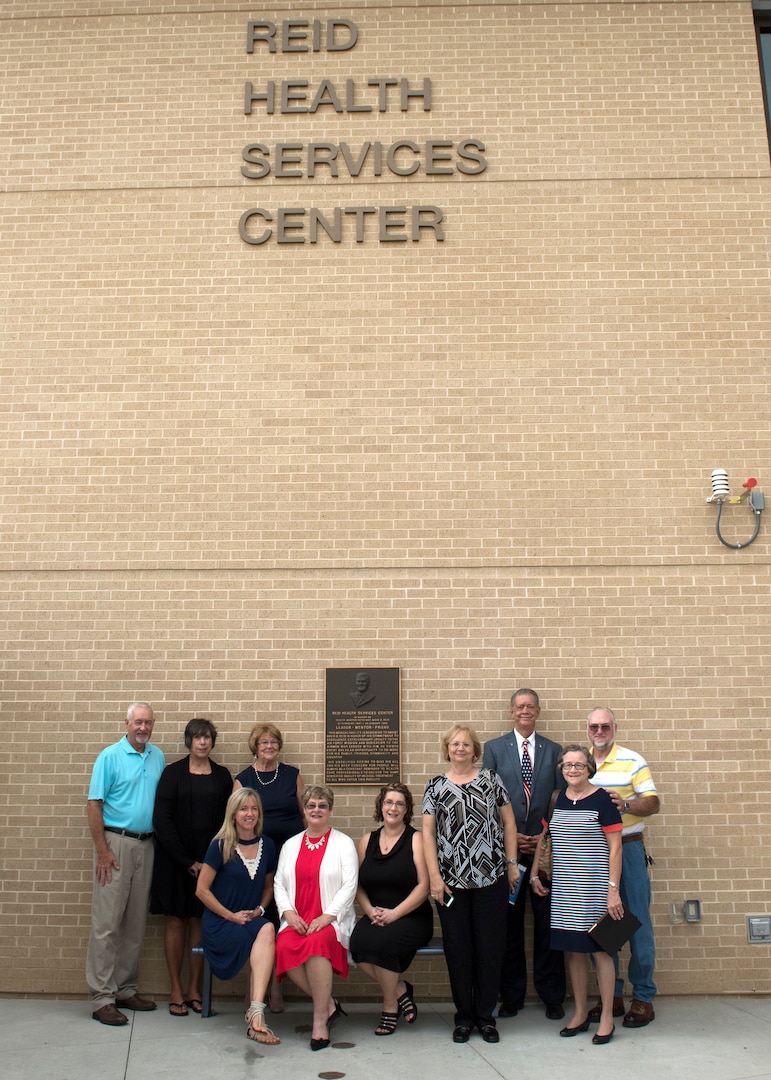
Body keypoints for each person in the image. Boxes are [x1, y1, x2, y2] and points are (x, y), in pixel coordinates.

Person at [422, 724, 520, 1045]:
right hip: (451, 885)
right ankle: (463, 1017)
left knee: (490, 950)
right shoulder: (435, 787)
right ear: (447, 748)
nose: (460, 749)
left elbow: (508, 823)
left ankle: (486, 1017)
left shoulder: (491, 780)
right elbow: (427, 835)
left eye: (466, 744)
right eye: (454, 744)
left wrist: (511, 864)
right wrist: (435, 877)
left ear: (474, 749)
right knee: (458, 950)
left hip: (490, 879)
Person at [531, 744, 623, 1045]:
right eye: (568, 765)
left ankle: (607, 1016)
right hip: (565, 891)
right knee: (574, 952)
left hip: (597, 890)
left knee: (601, 951)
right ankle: (581, 1012)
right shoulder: (556, 800)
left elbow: (616, 847)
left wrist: (613, 891)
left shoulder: (603, 800)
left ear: (589, 769)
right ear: (561, 769)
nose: (573, 770)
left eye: (579, 765)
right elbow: (545, 840)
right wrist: (534, 874)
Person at [482, 687, 566, 1020]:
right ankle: (511, 996)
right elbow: (487, 800)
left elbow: (560, 800)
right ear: (511, 711)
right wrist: (511, 838)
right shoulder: (494, 749)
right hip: (509, 852)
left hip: (546, 852)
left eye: (530, 706)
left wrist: (542, 838)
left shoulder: (554, 750)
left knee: (548, 926)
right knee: (510, 927)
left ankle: (552, 996)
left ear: (538, 711)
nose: (525, 711)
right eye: (519, 707)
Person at [86, 701, 165, 1026]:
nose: (143, 728)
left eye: (148, 722)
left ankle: (125, 989)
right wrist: (103, 850)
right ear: (127, 723)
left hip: (147, 846)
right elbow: (94, 804)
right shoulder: (110, 756)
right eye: (138, 722)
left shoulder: (157, 756)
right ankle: (102, 997)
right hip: (115, 845)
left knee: (134, 924)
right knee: (106, 924)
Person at [150, 717, 232, 1016]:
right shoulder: (172, 773)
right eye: (197, 737)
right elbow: (162, 820)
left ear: (212, 741)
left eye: (207, 737)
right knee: (175, 921)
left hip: (210, 863)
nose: (203, 742)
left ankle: (195, 988)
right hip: (175, 862)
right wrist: (187, 861)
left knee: (200, 921)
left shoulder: (222, 776)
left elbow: (228, 821)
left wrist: (209, 862)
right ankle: (175, 988)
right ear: (189, 741)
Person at [586, 706, 660, 1028]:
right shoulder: (581, 762)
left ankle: (643, 997)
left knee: (637, 922)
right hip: (593, 853)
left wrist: (626, 804)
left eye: (605, 726)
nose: (599, 731)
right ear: (587, 730)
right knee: (602, 925)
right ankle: (611, 995)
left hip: (628, 849)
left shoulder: (633, 760)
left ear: (615, 727)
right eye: (594, 727)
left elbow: (654, 803)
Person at [273, 785, 358, 1051]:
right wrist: (287, 912)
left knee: (318, 946)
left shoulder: (343, 843)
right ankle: (329, 1004)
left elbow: (350, 885)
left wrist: (328, 916)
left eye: (322, 805)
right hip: (298, 917)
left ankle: (319, 1020)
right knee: (284, 947)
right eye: (311, 805)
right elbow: (278, 883)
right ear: (304, 810)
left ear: (330, 810)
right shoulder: (291, 844)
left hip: (330, 919)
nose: (316, 810)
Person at [196, 788, 280, 1045]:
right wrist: (231, 916)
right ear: (233, 813)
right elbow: (201, 890)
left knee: (267, 929)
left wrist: (261, 910)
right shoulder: (220, 845)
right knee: (252, 939)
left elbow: (268, 887)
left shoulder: (268, 845)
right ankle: (255, 1017)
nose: (250, 814)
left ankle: (256, 1014)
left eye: (254, 809)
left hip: (250, 918)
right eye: (244, 808)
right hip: (221, 921)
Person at [350, 783, 434, 1035]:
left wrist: (395, 913)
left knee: (383, 945)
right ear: (381, 805)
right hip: (376, 913)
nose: (393, 808)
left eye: (399, 803)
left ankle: (389, 1007)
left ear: (406, 809)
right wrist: (369, 909)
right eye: (388, 802)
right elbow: (356, 884)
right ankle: (399, 990)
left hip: (411, 915)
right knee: (356, 946)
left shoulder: (416, 839)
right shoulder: (368, 841)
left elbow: (424, 885)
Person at [233, 722, 304, 1011]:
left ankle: (277, 988)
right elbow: (233, 821)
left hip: (289, 859)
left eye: (274, 742)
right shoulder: (243, 779)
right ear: (255, 746)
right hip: (256, 860)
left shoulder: (292, 775)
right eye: (263, 743)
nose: (269, 747)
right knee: (262, 923)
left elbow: (304, 813)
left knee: (284, 922)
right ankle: (259, 993)